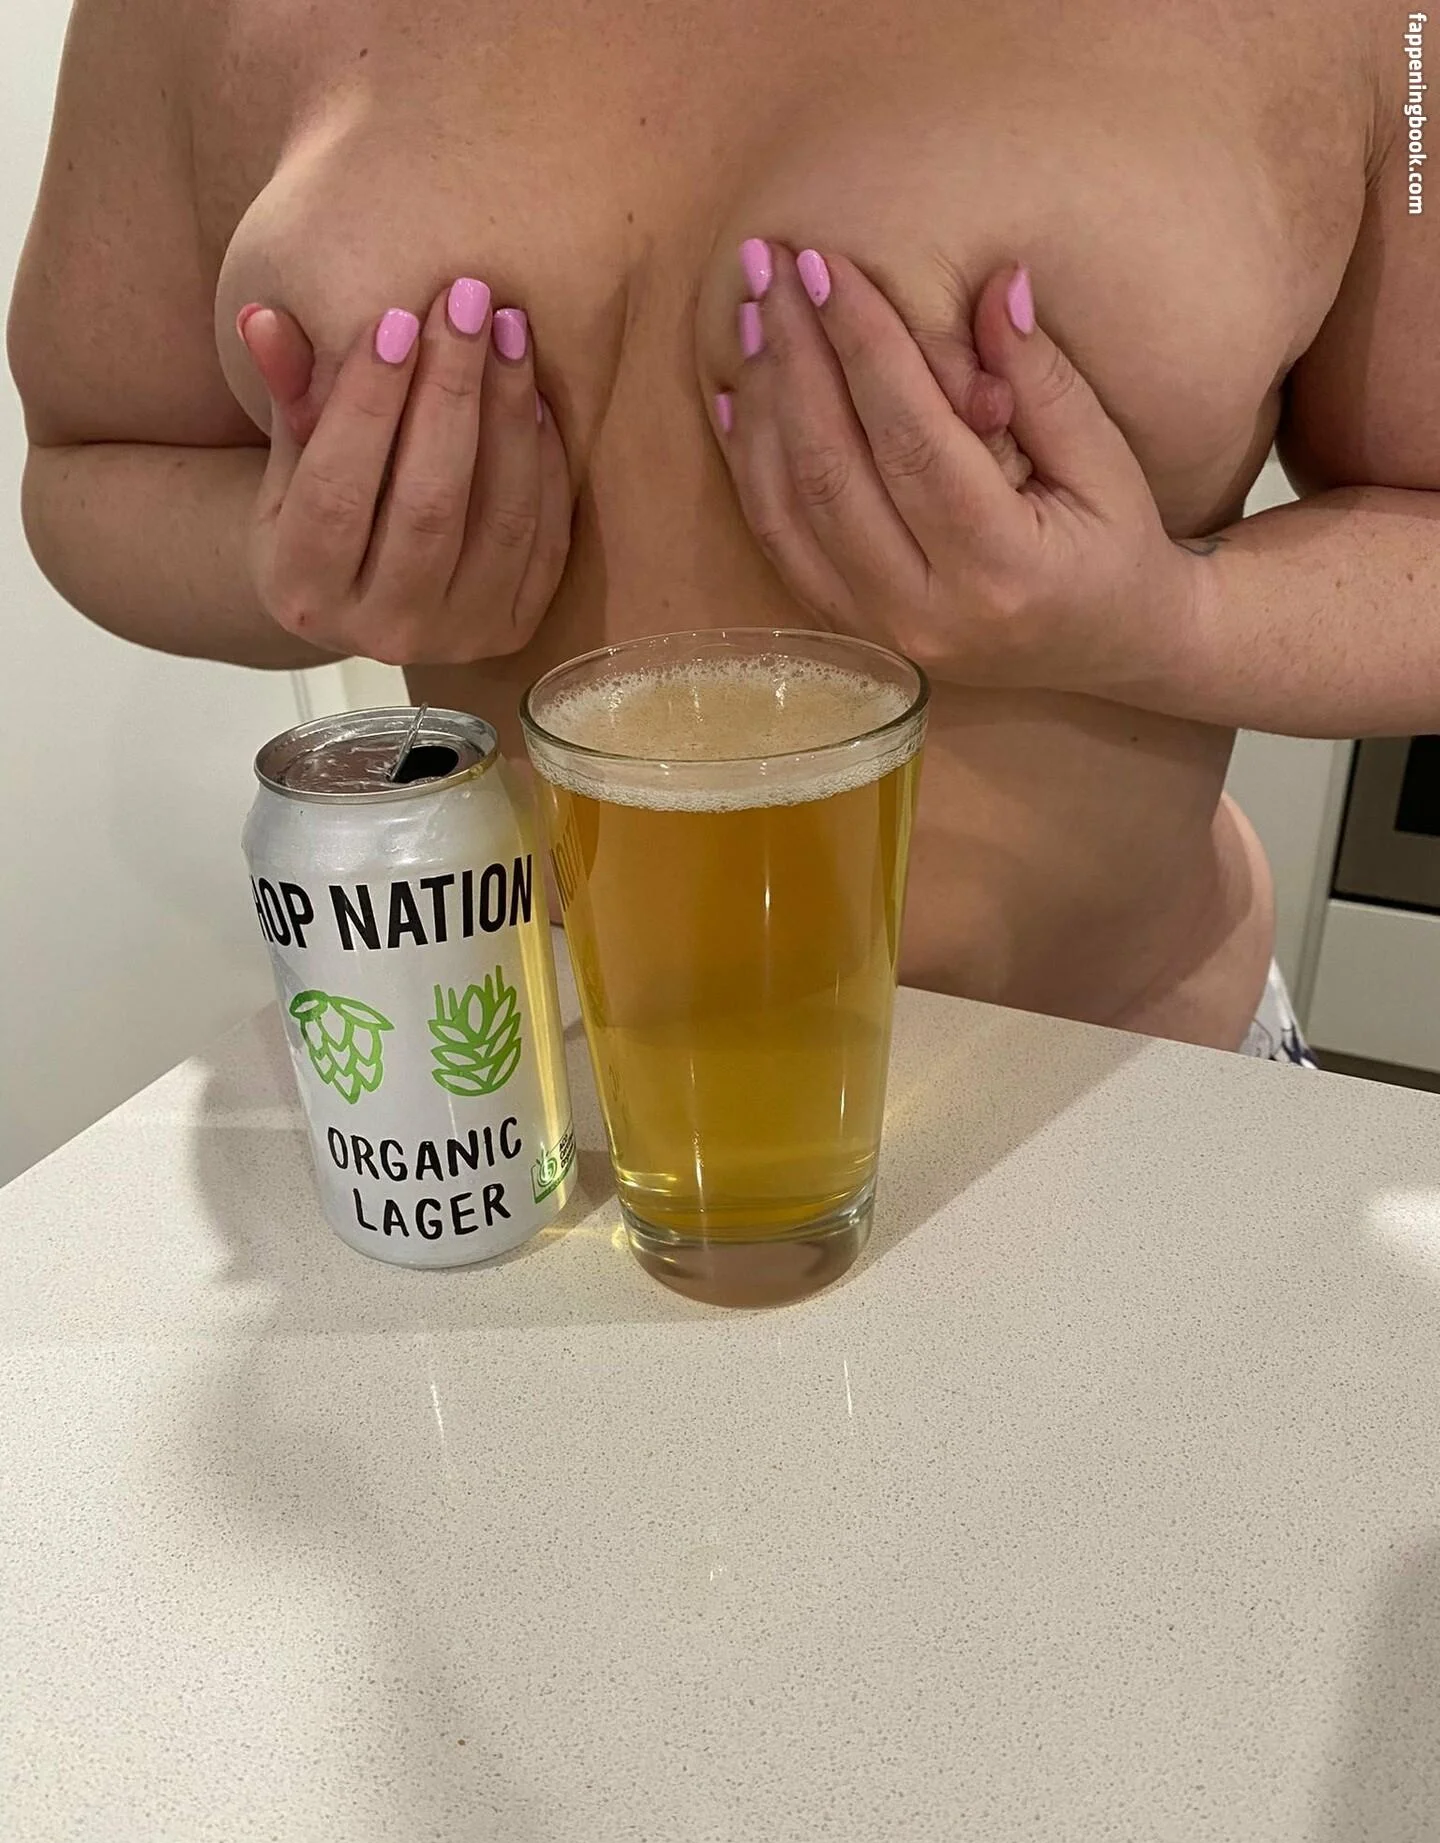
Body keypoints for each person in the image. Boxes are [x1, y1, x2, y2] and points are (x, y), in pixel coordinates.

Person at [9, 0, 1437, 1062]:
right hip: (548, 1109)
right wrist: (293, 569)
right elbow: (85, 462)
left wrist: (1167, 623)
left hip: (1128, 1092)